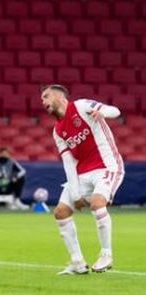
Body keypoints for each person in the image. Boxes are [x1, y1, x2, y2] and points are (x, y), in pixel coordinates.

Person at [40, 84, 124, 275]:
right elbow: (68, 162)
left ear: (60, 97)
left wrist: (103, 113)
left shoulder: (82, 106)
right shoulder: (57, 131)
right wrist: (76, 193)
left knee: (97, 203)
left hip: (107, 165)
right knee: (61, 211)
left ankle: (106, 254)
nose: (42, 101)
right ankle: (77, 262)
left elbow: (115, 110)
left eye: (46, 96)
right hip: (82, 173)